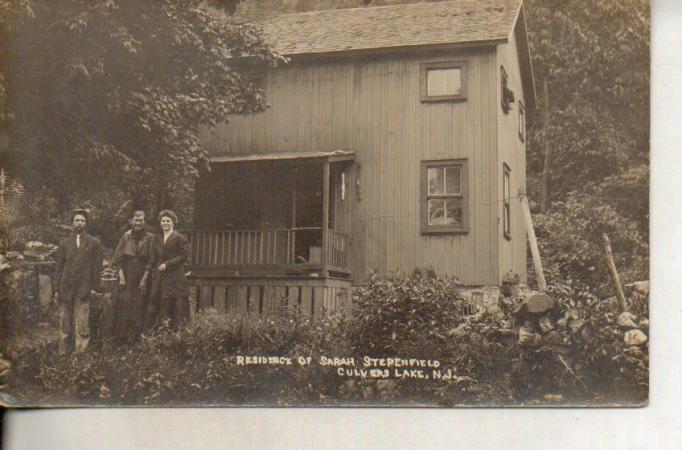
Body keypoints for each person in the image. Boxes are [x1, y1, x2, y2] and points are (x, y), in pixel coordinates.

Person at [53, 209, 103, 354]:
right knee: (64, 323)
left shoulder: (94, 243)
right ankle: (63, 354)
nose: (79, 223)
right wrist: (57, 289)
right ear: (72, 223)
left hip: (83, 289)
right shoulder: (64, 244)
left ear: (86, 224)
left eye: (82, 221)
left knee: (82, 323)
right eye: (77, 220)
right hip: (65, 288)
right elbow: (59, 267)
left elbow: (97, 268)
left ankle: (80, 356)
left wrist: (94, 287)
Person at [110, 210, 156, 340]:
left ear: (144, 222)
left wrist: (144, 279)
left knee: (140, 304)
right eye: (136, 220)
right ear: (131, 221)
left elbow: (151, 261)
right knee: (124, 304)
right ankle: (122, 337)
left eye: (141, 220)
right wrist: (122, 277)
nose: (138, 223)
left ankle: (137, 337)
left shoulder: (150, 237)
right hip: (127, 273)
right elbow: (118, 258)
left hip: (142, 274)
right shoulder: (126, 236)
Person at [150, 210, 190, 328]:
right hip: (160, 276)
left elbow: (183, 256)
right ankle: (162, 332)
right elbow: (153, 256)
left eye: (168, 221)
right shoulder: (156, 238)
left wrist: (167, 264)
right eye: (163, 221)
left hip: (175, 276)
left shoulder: (180, 238)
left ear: (173, 223)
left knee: (176, 304)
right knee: (162, 304)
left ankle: (177, 334)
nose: (165, 223)